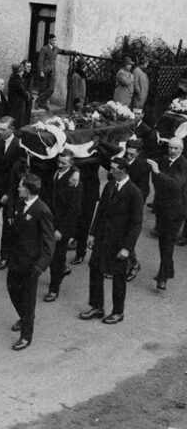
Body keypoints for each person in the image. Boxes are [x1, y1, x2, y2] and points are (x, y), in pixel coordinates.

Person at [79, 158, 143, 324]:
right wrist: (92, 233)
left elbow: (136, 224)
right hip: (102, 238)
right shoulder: (109, 186)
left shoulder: (134, 192)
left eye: (114, 169)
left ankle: (118, 312)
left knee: (118, 277)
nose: (110, 172)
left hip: (119, 243)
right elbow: (100, 212)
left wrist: (127, 248)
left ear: (123, 171)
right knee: (95, 268)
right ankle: (97, 306)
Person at [6, 173, 55, 351]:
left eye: (20, 186)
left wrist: (41, 265)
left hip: (30, 264)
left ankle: (26, 335)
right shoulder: (21, 205)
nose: (18, 188)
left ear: (28, 189)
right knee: (12, 289)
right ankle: (26, 317)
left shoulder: (42, 210)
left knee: (28, 300)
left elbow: (49, 242)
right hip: (16, 260)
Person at [147, 138, 187, 290]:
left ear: (181, 149)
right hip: (163, 207)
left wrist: (157, 172)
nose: (172, 151)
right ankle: (169, 269)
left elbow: (177, 184)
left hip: (176, 210)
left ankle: (162, 277)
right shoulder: (164, 160)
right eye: (170, 148)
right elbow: (150, 162)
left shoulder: (183, 164)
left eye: (176, 148)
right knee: (162, 240)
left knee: (168, 242)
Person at [45, 150, 82, 302]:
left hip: (62, 227)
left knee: (57, 257)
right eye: (59, 162)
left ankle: (54, 289)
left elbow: (74, 209)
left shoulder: (74, 181)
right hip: (51, 222)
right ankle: (61, 270)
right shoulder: (56, 173)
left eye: (64, 163)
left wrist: (62, 230)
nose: (60, 165)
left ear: (71, 164)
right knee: (49, 254)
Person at [0, 117, 22, 270]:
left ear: (12, 129)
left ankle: (5, 257)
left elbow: (17, 174)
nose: (0, 132)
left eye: (4, 129)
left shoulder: (19, 146)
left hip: (10, 192)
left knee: (7, 225)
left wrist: (8, 194)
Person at [123, 138, 149, 281]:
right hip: (119, 203)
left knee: (128, 236)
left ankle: (134, 264)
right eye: (128, 153)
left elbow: (144, 190)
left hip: (133, 206)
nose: (129, 156)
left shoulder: (142, 167)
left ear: (138, 153)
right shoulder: (123, 160)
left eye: (132, 154)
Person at [71, 161, 102, 266]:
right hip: (75, 187)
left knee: (84, 223)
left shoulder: (96, 149)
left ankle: (80, 252)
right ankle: (75, 240)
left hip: (89, 191)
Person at [36, 34, 73, 110]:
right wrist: (41, 71)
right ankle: (43, 104)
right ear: (49, 40)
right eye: (53, 40)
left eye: (55, 40)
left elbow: (64, 51)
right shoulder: (44, 49)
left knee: (51, 89)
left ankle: (38, 101)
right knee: (43, 88)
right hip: (45, 71)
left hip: (52, 72)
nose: (54, 41)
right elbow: (40, 61)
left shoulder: (56, 49)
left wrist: (74, 52)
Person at [8, 63, 31, 129]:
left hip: (15, 103)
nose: (23, 73)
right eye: (22, 71)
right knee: (18, 121)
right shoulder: (17, 81)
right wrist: (28, 95)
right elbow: (24, 92)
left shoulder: (14, 78)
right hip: (18, 105)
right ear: (18, 72)